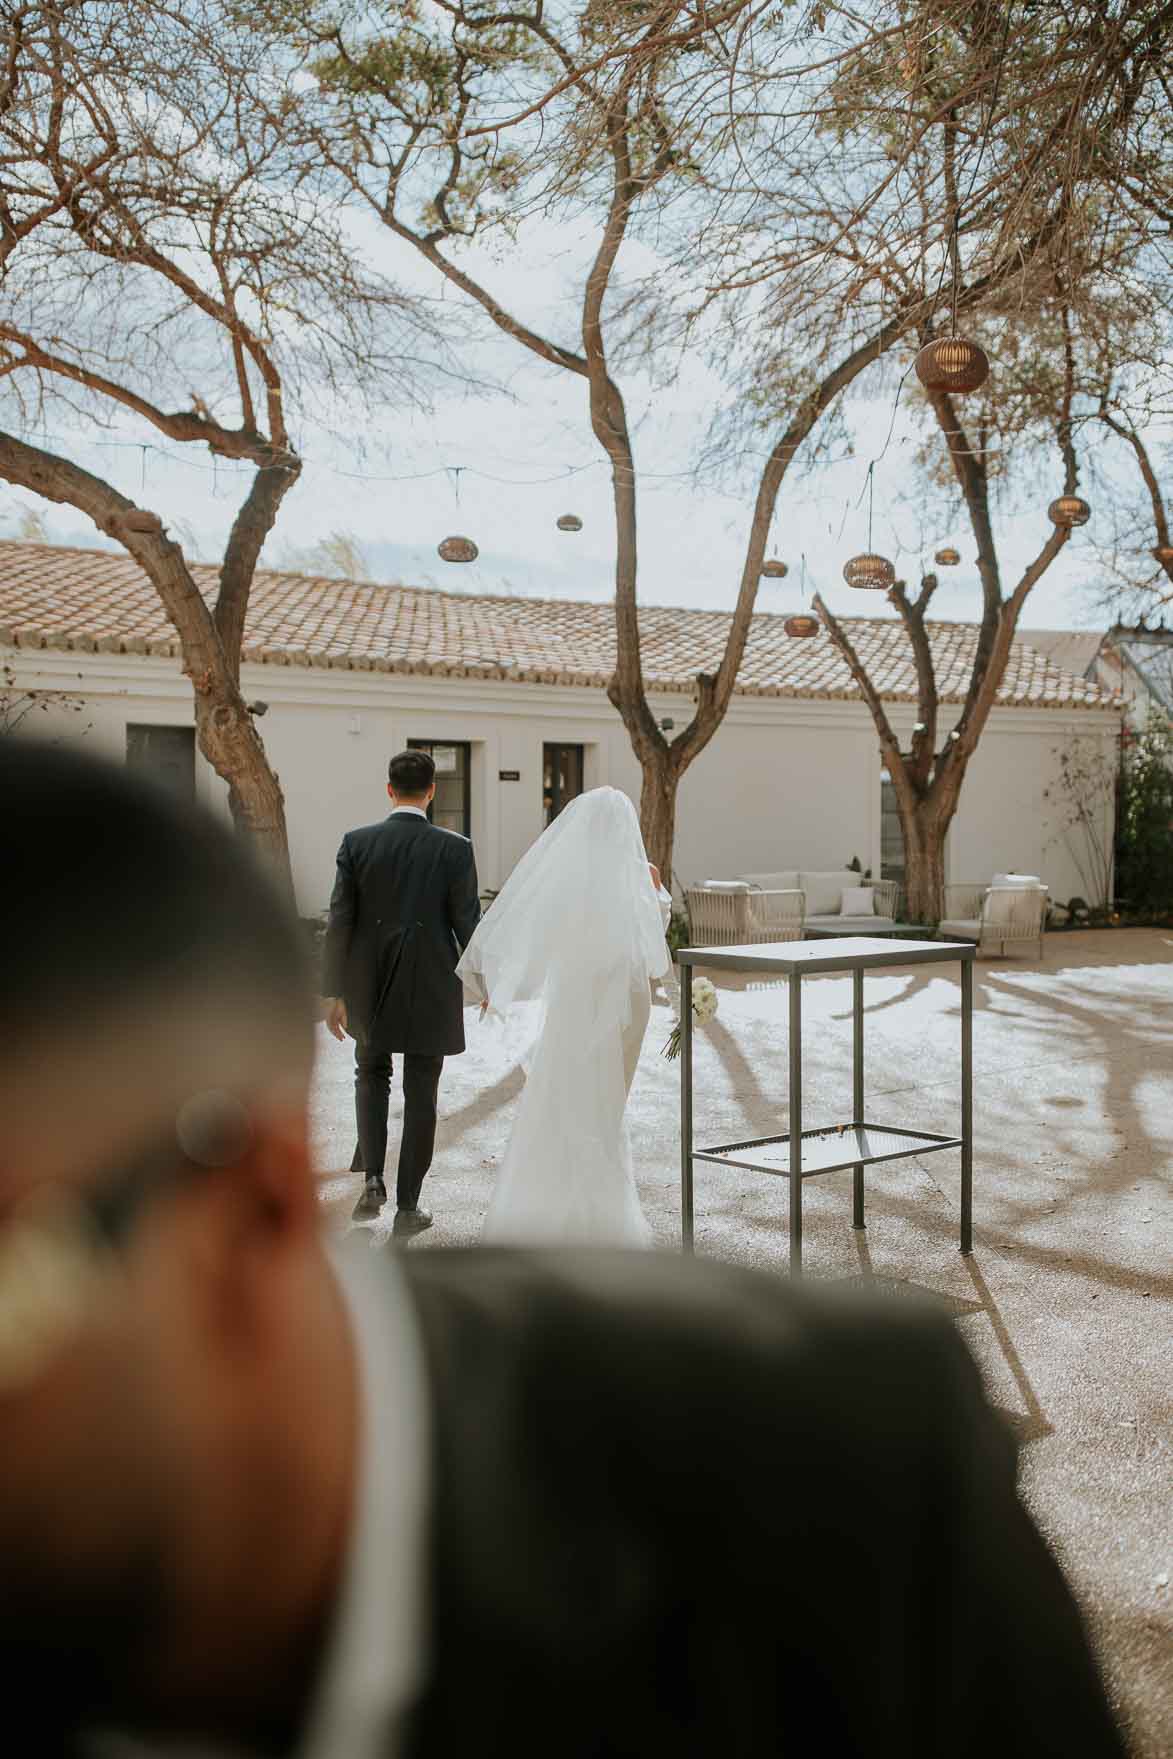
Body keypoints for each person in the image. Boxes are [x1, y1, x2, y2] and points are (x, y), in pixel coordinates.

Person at [0, 742, 1127, 1759]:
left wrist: (378, 990)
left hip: (497, 1028)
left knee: (525, 1119)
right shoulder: (555, 881)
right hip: (535, 1025)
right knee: (540, 1121)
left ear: (252, 1213)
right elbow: (582, 962)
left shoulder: (864, 1481)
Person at [457, 787, 672, 1246]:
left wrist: (504, 984)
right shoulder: (641, 877)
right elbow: (655, 947)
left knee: (567, 1098)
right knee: (605, 1107)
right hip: (627, 1005)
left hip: (575, 1002)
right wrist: (656, 894)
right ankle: (596, 1214)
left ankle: (557, 1207)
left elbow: (533, 936)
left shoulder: (568, 878)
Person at [321, 748, 481, 1232]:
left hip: (369, 984)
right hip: (431, 982)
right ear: (432, 791)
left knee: (370, 1075)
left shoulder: (357, 843)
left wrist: (333, 991)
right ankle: (409, 1207)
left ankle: (373, 1179)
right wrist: (484, 978)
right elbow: (467, 923)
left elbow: (340, 922)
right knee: (422, 1093)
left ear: (389, 789)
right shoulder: (455, 848)